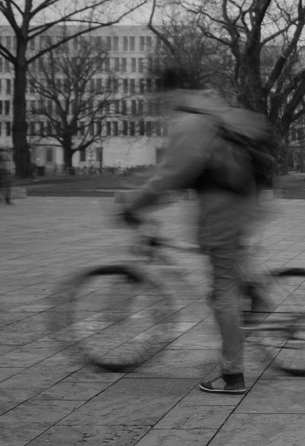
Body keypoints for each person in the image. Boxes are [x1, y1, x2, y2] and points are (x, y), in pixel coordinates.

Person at [121, 68, 266, 395]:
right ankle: (257, 295)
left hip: (224, 214)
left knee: (222, 294)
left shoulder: (192, 122)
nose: (162, 105)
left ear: (173, 91)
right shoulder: (211, 113)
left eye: (162, 98)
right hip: (241, 207)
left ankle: (233, 375)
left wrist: (134, 204)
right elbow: (175, 172)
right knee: (231, 275)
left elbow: (172, 176)